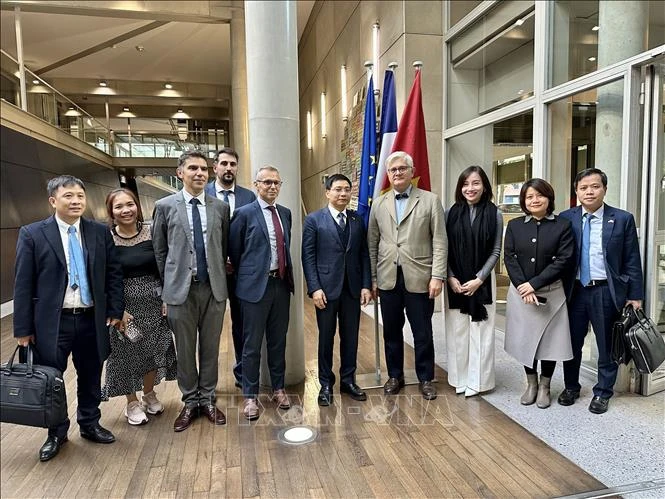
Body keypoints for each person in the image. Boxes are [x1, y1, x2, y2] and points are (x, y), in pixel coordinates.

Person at [13, 175, 124, 462]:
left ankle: (90, 423)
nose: (76, 201)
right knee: (52, 380)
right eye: (68, 196)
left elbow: (113, 274)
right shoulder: (33, 234)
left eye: (80, 196)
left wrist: (114, 309)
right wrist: (23, 329)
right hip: (51, 323)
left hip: (91, 318)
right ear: (53, 201)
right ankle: (56, 432)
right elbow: (23, 284)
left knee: (90, 375)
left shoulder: (99, 233)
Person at [152, 150, 230, 432]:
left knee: (210, 349)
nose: (200, 173)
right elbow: (159, 251)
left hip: (213, 290)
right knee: (185, 351)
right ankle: (190, 402)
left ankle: (208, 399)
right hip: (179, 292)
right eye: (193, 168)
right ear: (180, 173)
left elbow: (221, 248)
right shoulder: (164, 206)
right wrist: (166, 287)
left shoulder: (220, 208)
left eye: (203, 169)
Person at [558, 168, 644, 414]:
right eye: (583, 187)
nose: (589, 191)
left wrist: (635, 295)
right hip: (575, 291)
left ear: (604, 189)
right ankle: (571, 387)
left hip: (605, 291)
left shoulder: (622, 219)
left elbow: (631, 260)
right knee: (571, 343)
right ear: (576, 191)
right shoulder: (566, 218)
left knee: (606, 345)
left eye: (594, 186)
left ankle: (603, 392)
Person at [367, 151, 447, 400]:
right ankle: (395, 375)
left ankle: (425, 378)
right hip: (388, 276)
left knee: (422, 331)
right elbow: (372, 241)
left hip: (421, 277)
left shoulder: (431, 200)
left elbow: (440, 241)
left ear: (412, 172)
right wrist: (373, 279)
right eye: (393, 170)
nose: (398, 173)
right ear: (388, 175)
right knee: (391, 330)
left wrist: (438, 276)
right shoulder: (379, 203)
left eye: (402, 168)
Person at [101, 188, 177, 425]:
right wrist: (116, 310)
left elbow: (164, 267)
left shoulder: (152, 232)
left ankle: (149, 394)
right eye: (119, 206)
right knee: (125, 355)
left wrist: (166, 298)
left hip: (154, 303)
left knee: (154, 352)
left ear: (137, 206)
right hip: (124, 306)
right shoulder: (106, 239)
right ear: (111, 212)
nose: (126, 210)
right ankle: (131, 402)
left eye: (130, 204)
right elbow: (103, 277)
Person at [228, 165, 294, 420]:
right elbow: (235, 250)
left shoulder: (285, 214)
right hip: (254, 288)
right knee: (251, 345)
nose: (272, 187)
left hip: (280, 285)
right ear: (256, 185)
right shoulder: (244, 214)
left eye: (276, 183)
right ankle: (250, 396)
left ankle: (278, 388)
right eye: (266, 182)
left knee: (278, 341)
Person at [503, 178, 575, 409]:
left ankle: (545, 386)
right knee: (527, 341)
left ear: (549, 198)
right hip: (522, 293)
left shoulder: (562, 225)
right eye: (529, 196)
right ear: (524, 201)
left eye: (539, 195)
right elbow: (510, 257)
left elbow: (564, 260)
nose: (535, 200)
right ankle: (531, 384)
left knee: (549, 343)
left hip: (552, 293)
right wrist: (523, 286)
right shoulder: (515, 225)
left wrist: (534, 284)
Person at [302, 174, 372, 406]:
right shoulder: (314, 220)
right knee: (326, 338)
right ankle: (325, 384)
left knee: (351, 337)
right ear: (327, 192)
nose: (343, 194)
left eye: (347, 189)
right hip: (326, 290)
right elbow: (308, 256)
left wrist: (365, 285)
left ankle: (348, 380)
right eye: (338, 189)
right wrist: (314, 288)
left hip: (352, 289)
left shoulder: (356, 220)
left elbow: (363, 254)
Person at [445, 166, 502, 397]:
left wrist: (480, 278)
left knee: (481, 333)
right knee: (458, 333)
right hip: (455, 281)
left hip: (483, 282)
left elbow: (496, 250)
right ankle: (459, 378)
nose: (470, 188)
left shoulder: (494, 213)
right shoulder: (450, 212)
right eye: (466, 184)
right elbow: (444, 248)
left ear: (485, 186)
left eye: (476, 183)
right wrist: (450, 276)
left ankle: (479, 382)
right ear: (460, 187)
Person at [205, 147, 256, 387]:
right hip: (209, 274)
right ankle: (208, 384)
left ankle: (243, 374)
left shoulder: (249, 197)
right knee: (208, 329)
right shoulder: (201, 194)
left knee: (242, 325)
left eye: (233, 164)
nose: (228, 168)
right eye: (223, 163)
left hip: (240, 273)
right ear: (215, 167)